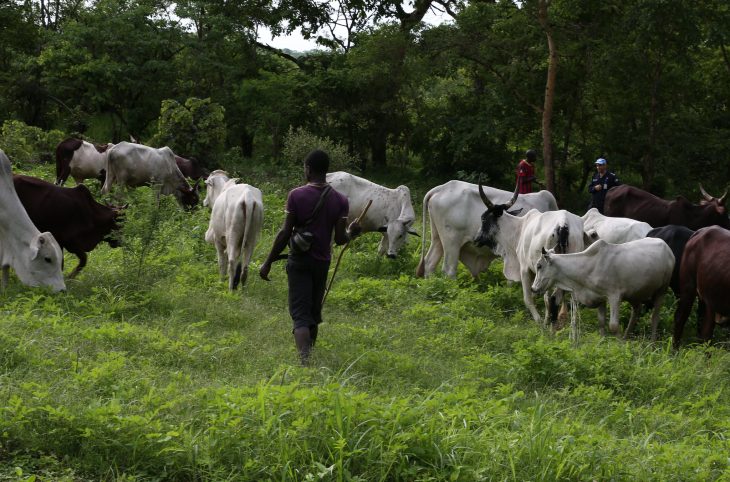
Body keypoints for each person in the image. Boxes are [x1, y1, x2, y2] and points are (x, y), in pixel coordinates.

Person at [259, 149, 361, 365]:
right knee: (313, 312)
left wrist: (267, 262)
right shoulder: (340, 200)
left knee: (300, 315)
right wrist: (353, 232)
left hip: (299, 262)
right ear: (326, 171)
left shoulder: (296, 195)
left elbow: (285, 232)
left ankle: (305, 363)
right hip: (322, 262)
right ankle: (309, 355)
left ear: (308, 169)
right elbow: (341, 239)